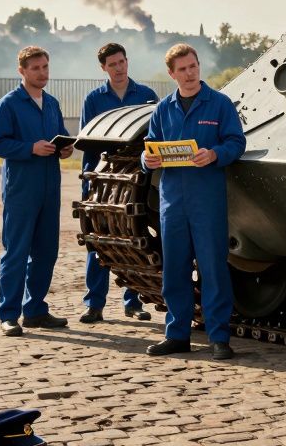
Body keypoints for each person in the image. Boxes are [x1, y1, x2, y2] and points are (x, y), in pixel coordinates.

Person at [142, 43, 245, 360]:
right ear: (172, 74)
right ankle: (177, 334)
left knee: (213, 268)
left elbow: (236, 142)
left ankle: (219, 337)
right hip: (172, 201)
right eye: (183, 69)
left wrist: (215, 153)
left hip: (207, 199)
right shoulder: (163, 109)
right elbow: (149, 148)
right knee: (174, 269)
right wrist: (148, 161)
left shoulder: (219, 104)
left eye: (194, 66)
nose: (190, 73)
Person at [0, 46, 75, 337]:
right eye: (36, 68)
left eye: (46, 67)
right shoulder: (8, 104)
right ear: (22, 71)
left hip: (50, 187)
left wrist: (65, 149)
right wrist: (30, 148)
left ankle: (35, 309)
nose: (43, 73)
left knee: (46, 251)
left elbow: (59, 134)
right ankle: (9, 314)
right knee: (16, 251)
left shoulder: (51, 103)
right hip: (21, 189)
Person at [79, 42, 159, 324]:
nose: (119, 67)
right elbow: (87, 143)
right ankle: (94, 304)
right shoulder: (94, 99)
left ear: (128, 61)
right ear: (103, 68)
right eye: (112, 64)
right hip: (103, 182)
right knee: (99, 242)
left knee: (137, 241)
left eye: (122, 61)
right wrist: (91, 185)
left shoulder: (147, 95)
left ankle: (134, 302)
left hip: (137, 181)